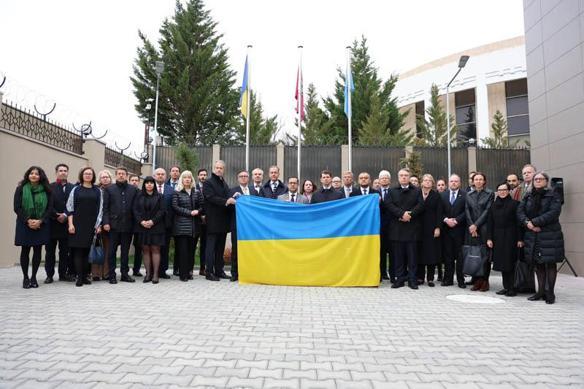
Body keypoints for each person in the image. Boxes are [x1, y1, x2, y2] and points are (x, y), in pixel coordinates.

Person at [518, 171, 564, 304]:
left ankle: (550, 293)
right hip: (532, 234)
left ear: (546, 181)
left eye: (540, 179)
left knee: (550, 264)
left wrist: (535, 222)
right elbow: (520, 211)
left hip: (549, 235)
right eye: (535, 179)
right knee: (538, 264)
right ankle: (540, 291)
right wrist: (528, 223)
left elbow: (553, 213)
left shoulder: (553, 194)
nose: (537, 181)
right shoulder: (528, 195)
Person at [14, 166, 53, 289]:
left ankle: (34, 277)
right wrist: (28, 220)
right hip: (24, 223)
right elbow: (17, 207)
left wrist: (40, 221)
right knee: (25, 250)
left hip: (41, 224)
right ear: (28, 175)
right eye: (31, 173)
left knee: (37, 251)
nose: (34, 175)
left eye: (37, 173)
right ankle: (25, 278)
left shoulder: (47, 190)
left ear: (41, 176)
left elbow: (50, 208)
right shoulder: (20, 188)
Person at [385, 168, 424, 289]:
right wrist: (402, 214)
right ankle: (399, 279)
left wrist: (410, 215)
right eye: (401, 175)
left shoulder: (417, 191)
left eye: (406, 175)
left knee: (412, 257)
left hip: (412, 229)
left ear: (409, 177)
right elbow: (389, 205)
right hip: (397, 228)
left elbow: (421, 205)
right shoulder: (391, 191)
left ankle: (412, 280)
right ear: (398, 177)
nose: (403, 177)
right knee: (398, 256)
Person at [66, 167, 103, 287]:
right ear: (82, 175)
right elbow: (70, 208)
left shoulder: (98, 191)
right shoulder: (76, 190)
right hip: (77, 224)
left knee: (87, 252)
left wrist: (98, 225)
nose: (88, 175)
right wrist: (70, 224)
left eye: (90, 174)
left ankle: (85, 276)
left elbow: (100, 209)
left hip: (91, 225)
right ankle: (79, 278)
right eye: (86, 173)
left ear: (93, 176)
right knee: (78, 251)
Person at [102, 166, 138, 284]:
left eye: (123, 173)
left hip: (128, 226)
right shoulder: (109, 189)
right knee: (112, 252)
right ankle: (112, 275)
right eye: (119, 174)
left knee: (125, 252)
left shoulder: (133, 190)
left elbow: (136, 208)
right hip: (113, 226)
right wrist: (106, 222)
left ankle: (124, 274)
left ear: (126, 175)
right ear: (116, 175)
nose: (121, 175)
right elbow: (105, 208)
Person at [486, 182, 522, 297]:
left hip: (511, 237)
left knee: (510, 263)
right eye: (500, 190)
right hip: (497, 237)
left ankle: (512, 288)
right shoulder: (493, 205)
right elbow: (490, 223)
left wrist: (520, 239)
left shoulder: (515, 204)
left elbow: (519, 223)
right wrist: (489, 238)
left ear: (508, 191)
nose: (502, 192)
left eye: (504, 190)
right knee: (501, 263)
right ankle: (506, 287)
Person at [203, 160, 233, 281]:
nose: (219, 169)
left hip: (223, 221)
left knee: (220, 247)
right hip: (213, 220)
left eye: (221, 168)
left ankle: (219, 271)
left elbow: (226, 196)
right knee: (211, 248)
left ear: (223, 170)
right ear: (213, 168)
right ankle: (209, 272)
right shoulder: (208, 182)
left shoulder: (224, 183)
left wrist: (232, 197)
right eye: (217, 167)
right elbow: (210, 197)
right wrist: (226, 201)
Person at [45, 163, 75, 283]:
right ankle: (49, 275)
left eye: (65, 170)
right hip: (52, 224)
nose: (63, 172)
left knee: (64, 252)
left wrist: (65, 215)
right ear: (56, 172)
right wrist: (56, 215)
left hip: (67, 225)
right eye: (60, 170)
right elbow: (46, 204)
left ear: (68, 173)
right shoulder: (49, 187)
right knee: (50, 252)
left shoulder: (73, 188)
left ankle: (63, 274)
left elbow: (74, 204)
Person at [134, 176, 167, 284]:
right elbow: (135, 210)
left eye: (151, 183)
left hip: (156, 227)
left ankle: (155, 274)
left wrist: (152, 221)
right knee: (146, 250)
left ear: (154, 185)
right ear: (144, 185)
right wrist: (141, 221)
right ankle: (148, 274)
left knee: (155, 249)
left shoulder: (160, 196)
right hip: (142, 227)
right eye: (147, 183)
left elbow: (162, 211)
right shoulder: (139, 196)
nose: (149, 184)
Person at [172, 171, 203, 281]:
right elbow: (175, 207)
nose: (187, 179)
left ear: (192, 179)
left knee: (191, 251)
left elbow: (202, 206)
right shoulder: (177, 192)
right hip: (181, 227)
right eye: (185, 177)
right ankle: (183, 274)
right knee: (183, 251)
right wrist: (189, 212)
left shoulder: (197, 192)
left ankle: (189, 272)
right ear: (181, 179)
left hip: (194, 227)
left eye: (189, 177)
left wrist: (197, 211)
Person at [465, 172, 494, 292]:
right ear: (473, 181)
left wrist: (476, 225)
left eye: (480, 179)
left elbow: (487, 211)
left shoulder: (490, 193)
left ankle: (485, 281)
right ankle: (477, 281)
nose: (478, 181)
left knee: (485, 256)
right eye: (476, 179)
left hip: (484, 229)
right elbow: (467, 210)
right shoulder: (469, 194)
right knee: (475, 255)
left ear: (484, 181)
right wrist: (471, 226)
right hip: (472, 229)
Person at [440, 174, 467, 288]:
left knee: (460, 257)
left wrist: (456, 220)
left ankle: (461, 280)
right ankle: (448, 279)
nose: (454, 183)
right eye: (452, 181)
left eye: (456, 181)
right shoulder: (442, 195)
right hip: (446, 230)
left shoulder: (465, 195)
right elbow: (439, 211)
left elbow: (467, 211)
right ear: (448, 183)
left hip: (459, 230)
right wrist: (446, 220)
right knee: (448, 256)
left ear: (460, 183)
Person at [417, 174, 443, 287]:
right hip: (418, 228)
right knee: (419, 253)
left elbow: (439, 212)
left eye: (429, 181)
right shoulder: (416, 194)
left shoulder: (436, 196)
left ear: (432, 183)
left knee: (431, 253)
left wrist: (438, 227)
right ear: (421, 182)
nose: (427, 182)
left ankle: (430, 278)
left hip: (431, 228)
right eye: (425, 180)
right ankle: (420, 277)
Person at [228, 170, 252, 281]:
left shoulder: (254, 192)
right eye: (241, 176)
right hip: (237, 225)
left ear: (248, 178)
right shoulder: (232, 191)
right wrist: (233, 200)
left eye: (245, 176)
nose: (243, 178)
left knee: (251, 248)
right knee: (236, 249)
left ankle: (249, 271)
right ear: (238, 178)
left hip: (251, 226)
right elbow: (228, 207)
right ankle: (234, 273)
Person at [153, 168, 174, 279]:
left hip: (166, 224)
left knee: (164, 248)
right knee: (154, 248)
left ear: (166, 176)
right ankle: (152, 271)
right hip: (153, 224)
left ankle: (162, 271)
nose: (160, 176)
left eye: (162, 174)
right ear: (154, 176)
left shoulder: (171, 190)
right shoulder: (150, 188)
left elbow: (173, 207)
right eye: (158, 174)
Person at [92, 170, 112, 281]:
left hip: (108, 224)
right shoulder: (96, 190)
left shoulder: (113, 190)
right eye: (102, 177)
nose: (105, 179)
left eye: (107, 177)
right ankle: (95, 273)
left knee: (107, 249)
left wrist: (106, 223)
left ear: (110, 178)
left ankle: (106, 273)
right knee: (96, 248)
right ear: (99, 179)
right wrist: (97, 224)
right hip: (96, 224)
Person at [378, 170, 393, 282]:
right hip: (380, 226)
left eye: (386, 178)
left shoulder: (393, 192)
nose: (384, 179)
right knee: (381, 251)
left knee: (393, 251)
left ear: (389, 180)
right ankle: (382, 272)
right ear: (379, 180)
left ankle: (393, 273)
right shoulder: (374, 193)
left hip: (393, 226)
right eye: (382, 178)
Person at [129, 174, 143, 277]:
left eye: (136, 180)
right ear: (129, 181)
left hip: (138, 224)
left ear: (139, 182)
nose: (134, 182)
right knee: (125, 247)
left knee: (138, 248)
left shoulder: (142, 193)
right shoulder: (126, 192)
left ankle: (136, 269)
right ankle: (124, 269)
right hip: (126, 224)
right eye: (132, 180)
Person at [195, 168, 208, 275]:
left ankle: (203, 267)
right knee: (193, 244)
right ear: (198, 176)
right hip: (196, 219)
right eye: (201, 175)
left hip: (208, 221)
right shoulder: (194, 187)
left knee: (205, 244)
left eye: (204, 175)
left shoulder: (209, 187)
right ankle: (190, 267)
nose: (203, 176)